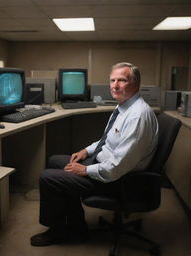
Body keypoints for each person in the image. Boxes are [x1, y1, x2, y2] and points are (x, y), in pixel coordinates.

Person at [30, 62, 159, 246]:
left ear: (136, 84)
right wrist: (86, 151)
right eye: (112, 80)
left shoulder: (137, 116)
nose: (115, 85)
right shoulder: (124, 106)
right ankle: (77, 227)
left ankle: (57, 231)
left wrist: (85, 170)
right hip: (109, 166)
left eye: (121, 80)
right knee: (55, 160)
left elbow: (117, 167)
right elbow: (108, 140)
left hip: (119, 180)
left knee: (48, 177)